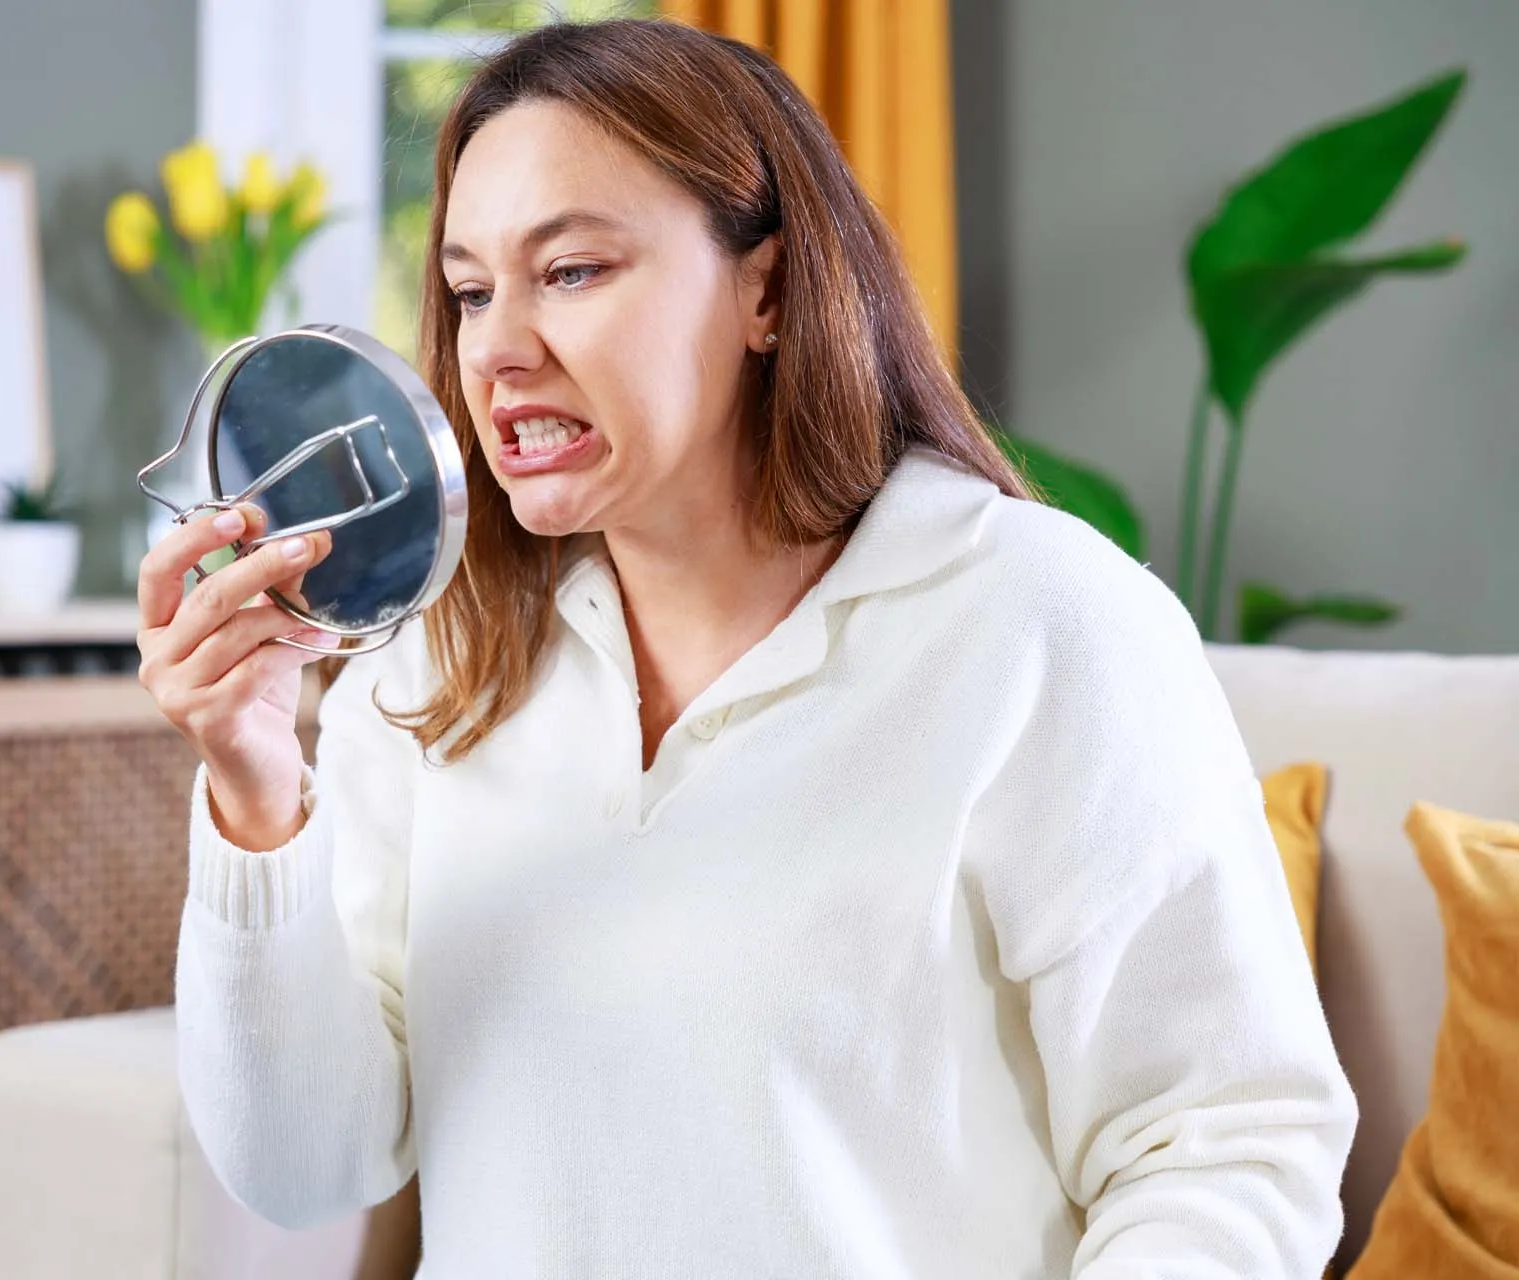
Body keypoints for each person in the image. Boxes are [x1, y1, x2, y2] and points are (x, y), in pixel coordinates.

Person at [136, 18, 1356, 1279]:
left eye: (571, 271)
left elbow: (1228, 1144)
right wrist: (255, 786)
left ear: (765, 290)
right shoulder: (440, 663)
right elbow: (306, 1168)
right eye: (468, 288)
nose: (495, 348)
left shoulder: (1040, 626)